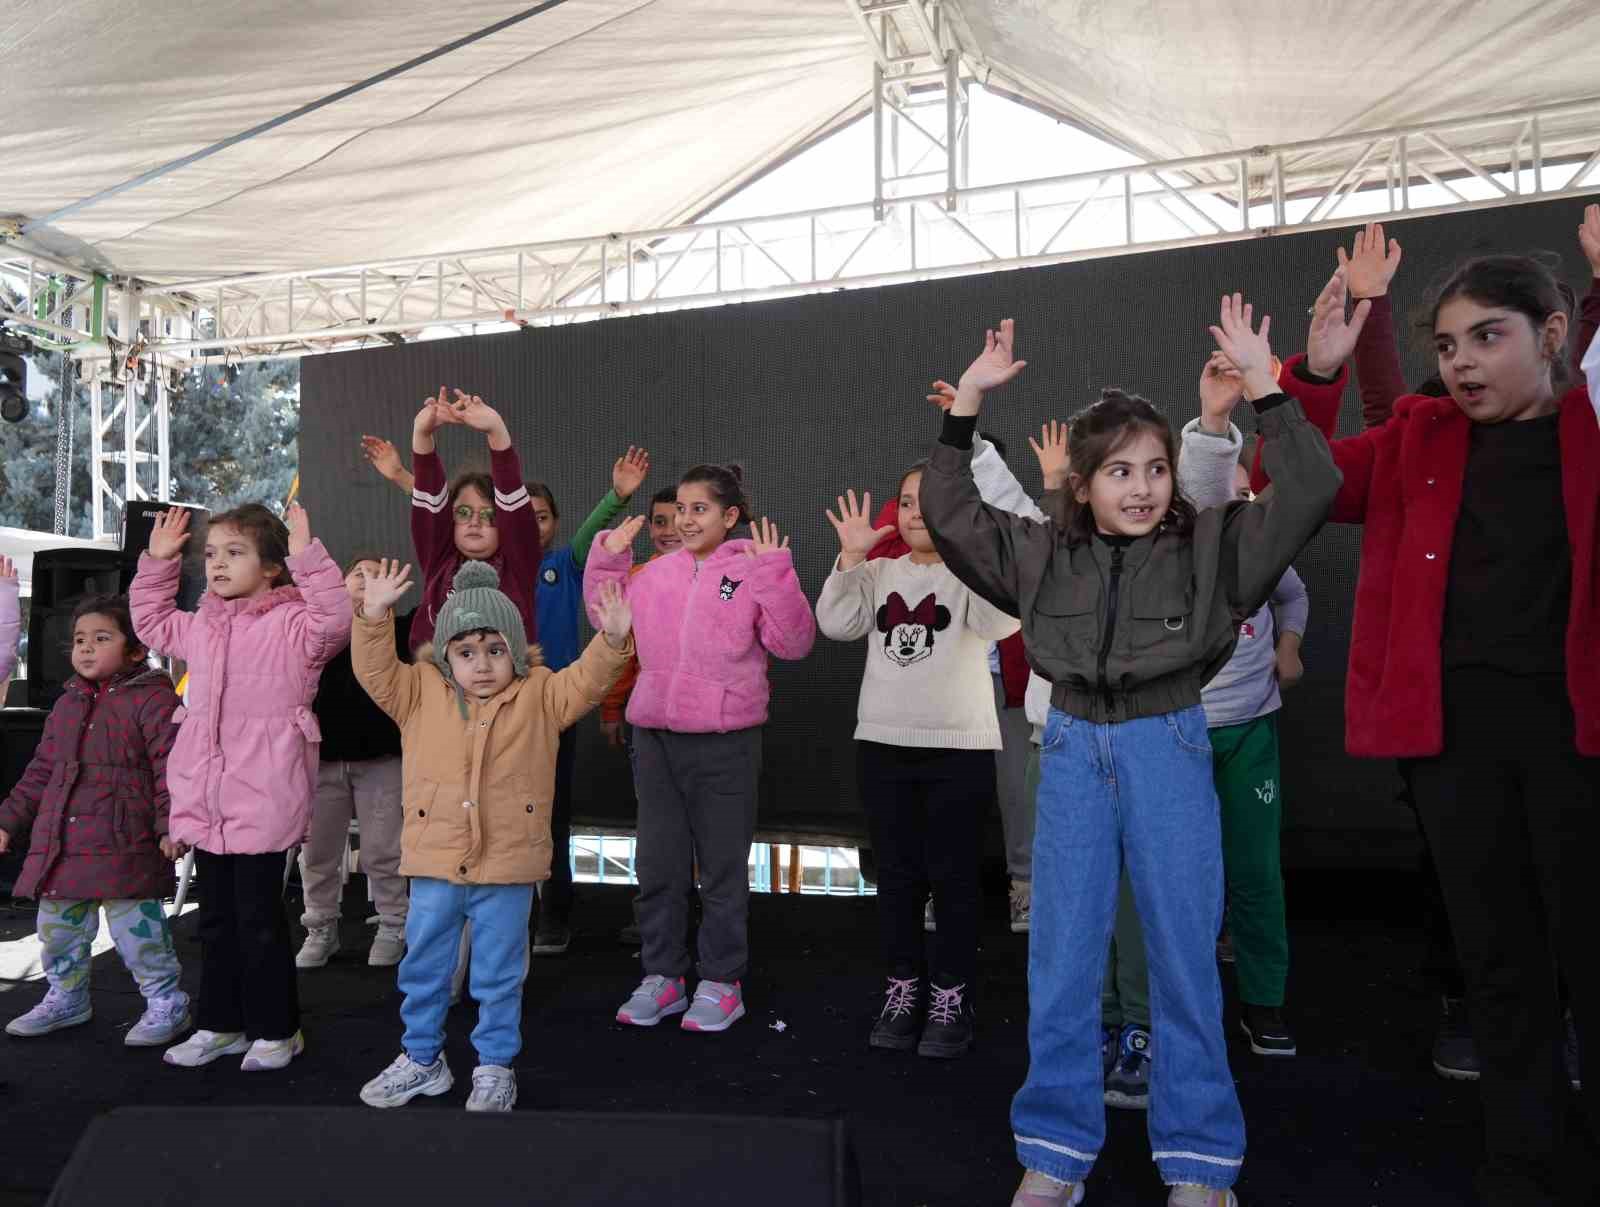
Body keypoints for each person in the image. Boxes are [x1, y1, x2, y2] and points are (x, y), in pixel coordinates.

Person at [919, 305, 1341, 1207]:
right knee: (1062, 957)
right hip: (1068, 744)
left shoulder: (1213, 546)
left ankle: (1197, 1163)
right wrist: (970, 407)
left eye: (1154, 469)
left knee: (1184, 953)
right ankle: (1055, 1152)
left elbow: (1310, 488)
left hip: (1170, 740)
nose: (1142, 487)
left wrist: (1270, 388)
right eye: (1119, 471)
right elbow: (948, 510)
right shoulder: (1039, 553)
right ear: (1083, 483)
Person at [1259, 228, 1600, 1205]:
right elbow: (1307, 482)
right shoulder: (1419, 435)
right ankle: (1522, 1160)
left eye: (1485, 337)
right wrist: (1308, 373)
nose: (1460, 363)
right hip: (1453, 748)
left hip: (1576, 741)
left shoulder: (1588, 427)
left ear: (1551, 332)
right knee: (1497, 960)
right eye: (1446, 345)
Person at [352, 559, 633, 1112]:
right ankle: (421, 1059)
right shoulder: (417, 692)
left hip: (507, 868)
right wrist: (374, 614)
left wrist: (613, 639)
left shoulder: (543, 695)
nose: (481, 665)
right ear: (444, 655)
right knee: (424, 969)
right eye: (466, 651)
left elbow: (588, 679)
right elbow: (375, 669)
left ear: (517, 650)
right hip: (435, 865)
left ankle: (495, 1067)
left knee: (499, 976)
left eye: (495, 650)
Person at [584, 465, 816, 1033]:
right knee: (658, 865)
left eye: (699, 510)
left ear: (730, 516)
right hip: (656, 739)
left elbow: (795, 643)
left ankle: (721, 981)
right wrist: (608, 559)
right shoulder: (657, 573)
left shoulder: (753, 570)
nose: (685, 521)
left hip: (726, 742)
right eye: (680, 510)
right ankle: (662, 976)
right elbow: (606, 618)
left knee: (722, 869)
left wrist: (775, 575)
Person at [130, 502, 351, 1071]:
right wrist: (157, 563)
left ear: (273, 567)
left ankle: (278, 1030)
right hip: (210, 802)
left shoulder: (295, 623)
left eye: (235, 553)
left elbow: (335, 620)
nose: (218, 565)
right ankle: (219, 1024)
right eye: (210, 555)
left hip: (266, 797)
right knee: (215, 922)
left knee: (259, 921)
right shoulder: (201, 624)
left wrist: (308, 555)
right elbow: (151, 624)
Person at [816, 468, 1020, 1059]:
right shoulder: (879, 573)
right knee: (898, 876)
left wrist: (975, 549)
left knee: (955, 878)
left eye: (930, 504)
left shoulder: (968, 575)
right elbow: (836, 623)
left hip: (961, 748)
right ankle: (903, 986)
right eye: (906, 502)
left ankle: (951, 994)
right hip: (882, 744)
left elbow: (1003, 623)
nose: (914, 513)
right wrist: (850, 558)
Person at [1179, 355, 1310, 1059]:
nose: (1229, 498)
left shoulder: (1265, 547)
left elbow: (1294, 595)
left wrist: (1289, 645)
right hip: (1181, 733)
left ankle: (1264, 1001)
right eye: (1216, 486)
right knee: (1186, 879)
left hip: (1250, 730)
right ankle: (1187, 1008)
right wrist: (1216, 419)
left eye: (1240, 487)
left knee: (1256, 871)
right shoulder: (1176, 548)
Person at [0, 594, 190, 1048]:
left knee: (138, 932)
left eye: (101, 638)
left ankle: (166, 1001)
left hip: (127, 839)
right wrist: (8, 820)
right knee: (58, 929)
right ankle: (66, 996)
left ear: (135, 650)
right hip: (64, 842)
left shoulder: (153, 700)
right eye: (80, 640)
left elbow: (172, 767)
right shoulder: (66, 705)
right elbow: (41, 771)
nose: (85, 648)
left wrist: (171, 824)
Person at [296, 554, 413, 969]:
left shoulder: (402, 631)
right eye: (357, 573)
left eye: (376, 575)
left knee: (384, 849)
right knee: (318, 852)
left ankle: (393, 924)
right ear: (339, 585)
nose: (366, 579)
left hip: (382, 758)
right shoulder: (320, 632)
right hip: (322, 759)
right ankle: (321, 927)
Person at [597, 485, 682, 947]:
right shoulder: (634, 577)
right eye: (660, 521)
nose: (670, 529)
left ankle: (702, 917)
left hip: (707, 727)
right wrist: (612, 708)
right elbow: (620, 653)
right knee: (654, 825)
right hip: (643, 720)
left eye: (681, 517)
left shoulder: (723, 577)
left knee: (705, 829)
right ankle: (654, 921)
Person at [397, 388, 542, 652]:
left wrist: (497, 431)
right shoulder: (439, 561)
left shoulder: (517, 565)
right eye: (463, 513)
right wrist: (422, 435)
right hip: (438, 688)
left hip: (506, 689)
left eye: (490, 516)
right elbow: (429, 503)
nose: (475, 522)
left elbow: (513, 504)